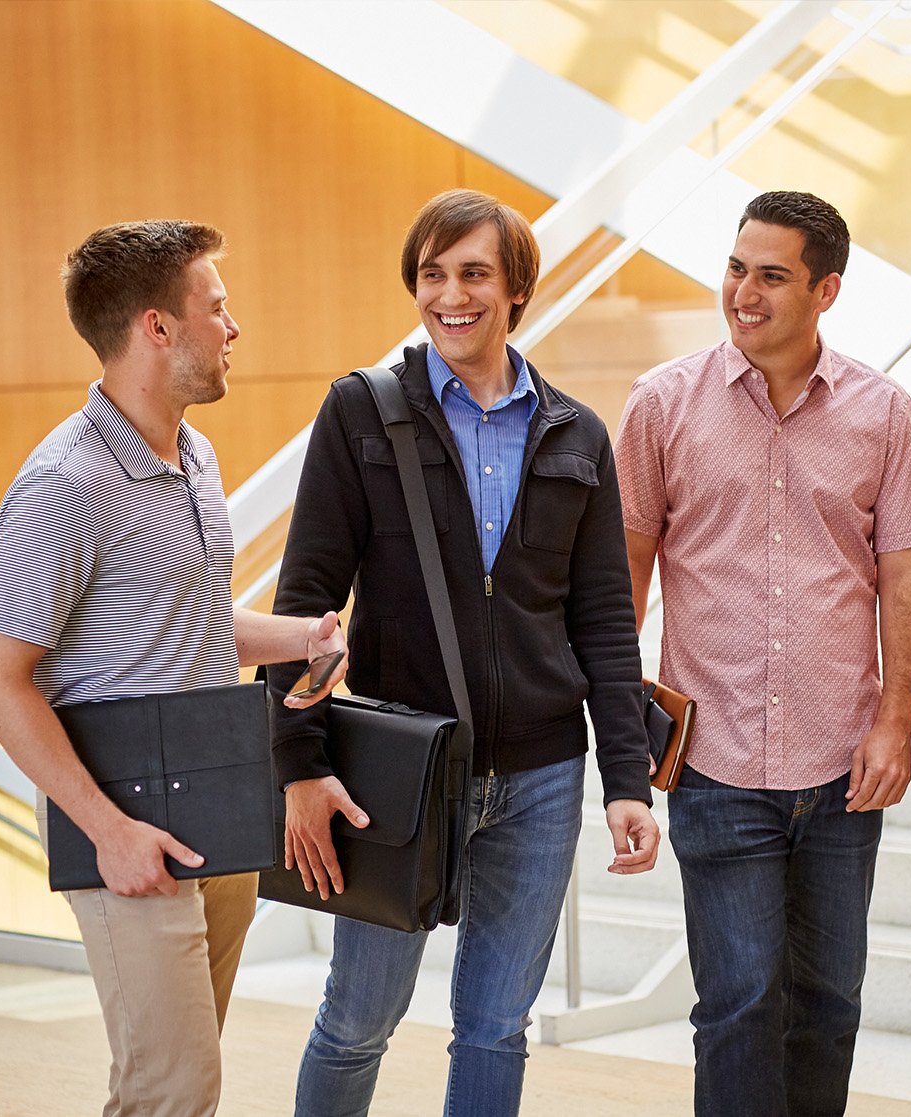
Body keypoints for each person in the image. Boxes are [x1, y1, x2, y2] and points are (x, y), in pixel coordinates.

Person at [270, 188, 660, 1116]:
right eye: (431, 275)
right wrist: (299, 766)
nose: (451, 295)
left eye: (474, 273)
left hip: (541, 776)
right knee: (358, 1015)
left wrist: (627, 779)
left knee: (494, 1027)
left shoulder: (576, 433)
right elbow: (305, 602)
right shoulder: (360, 413)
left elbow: (604, 621)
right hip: (395, 772)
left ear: (517, 286)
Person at [0, 221, 349, 1117]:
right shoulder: (63, 483)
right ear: (157, 328)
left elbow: (187, 620)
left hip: (217, 795)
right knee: (174, 1087)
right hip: (124, 816)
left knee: (177, 1078)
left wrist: (305, 637)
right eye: (216, 308)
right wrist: (106, 830)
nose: (234, 327)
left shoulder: (193, 455)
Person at [615, 190, 911, 1115]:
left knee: (828, 1002)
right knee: (738, 1004)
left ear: (826, 289)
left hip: (843, 765)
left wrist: (897, 720)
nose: (745, 292)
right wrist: (621, 740)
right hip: (715, 760)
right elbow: (622, 583)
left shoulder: (883, 413)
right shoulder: (660, 405)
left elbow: (907, 580)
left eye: (772, 275)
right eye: (736, 268)